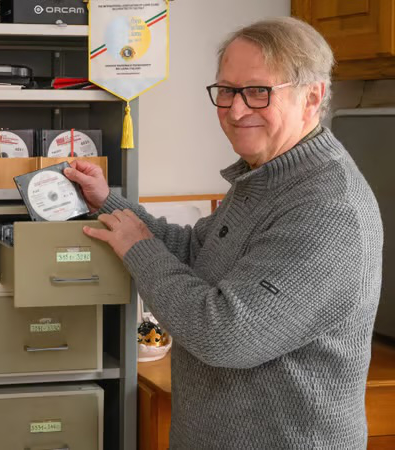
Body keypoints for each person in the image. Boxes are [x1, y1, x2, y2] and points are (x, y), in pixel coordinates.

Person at [65, 17, 382, 448]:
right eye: (227, 91)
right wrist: (109, 203)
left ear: (313, 97)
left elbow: (226, 335)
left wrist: (137, 248)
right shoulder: (268, 175)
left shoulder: (328, 209)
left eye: (257, 92)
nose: (235, 110)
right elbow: (198, 251)